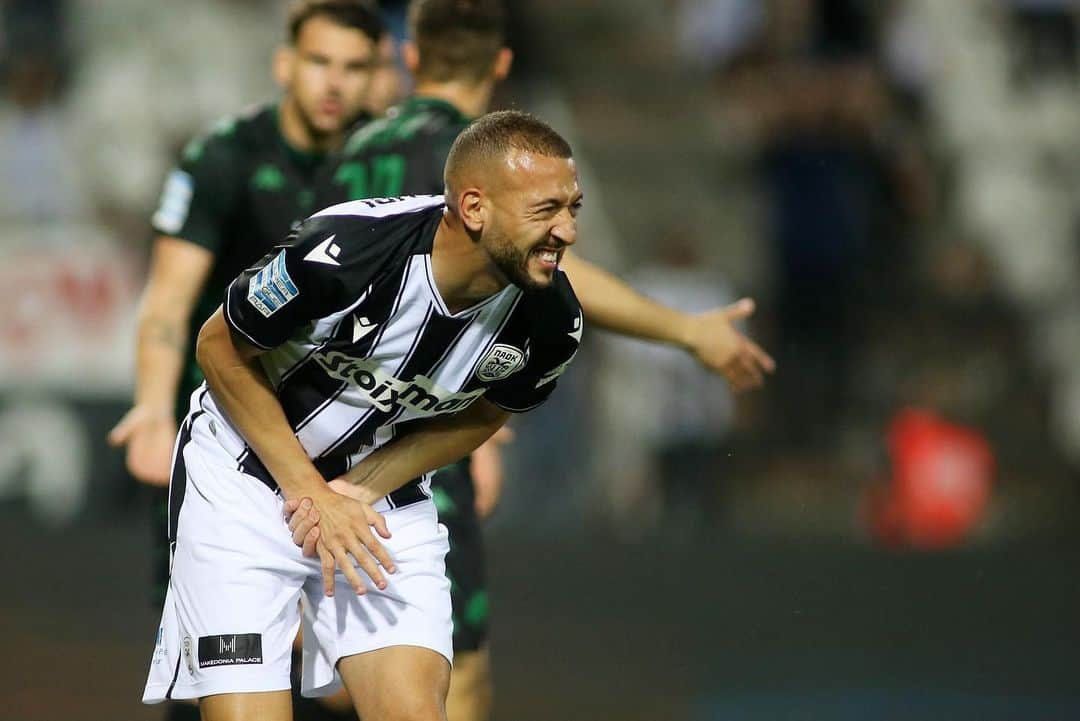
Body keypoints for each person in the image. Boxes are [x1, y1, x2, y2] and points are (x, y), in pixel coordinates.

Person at [298, 2, 775, 719]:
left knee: (348, 661)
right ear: (500, 65)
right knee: (453, 674)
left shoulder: (352, 150)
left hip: (322, 424)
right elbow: (555, 279)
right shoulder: (484, 163)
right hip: (415, 442)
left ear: (410, 57)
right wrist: (686, 331)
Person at [143, 110, 583, 721]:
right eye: (546, 211)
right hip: (241, 484)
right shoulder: (346, 250)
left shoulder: (552, 321)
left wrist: (361, 485)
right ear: (475, 208)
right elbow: (218, 347)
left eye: (573, 209)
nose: (566, 230)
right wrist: (308, 490)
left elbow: (489, 412)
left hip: (377, 506)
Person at [106, 2, 384, 719]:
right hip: (227, 444)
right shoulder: (223, 157)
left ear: (377, 76)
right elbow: (168, 304)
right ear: (284, 64)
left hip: (348, 446)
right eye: (320, 61)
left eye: (354, 68)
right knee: (217, 660)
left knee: (350, 677)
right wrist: (150, 403)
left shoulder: (392, 165)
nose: (335, 83)